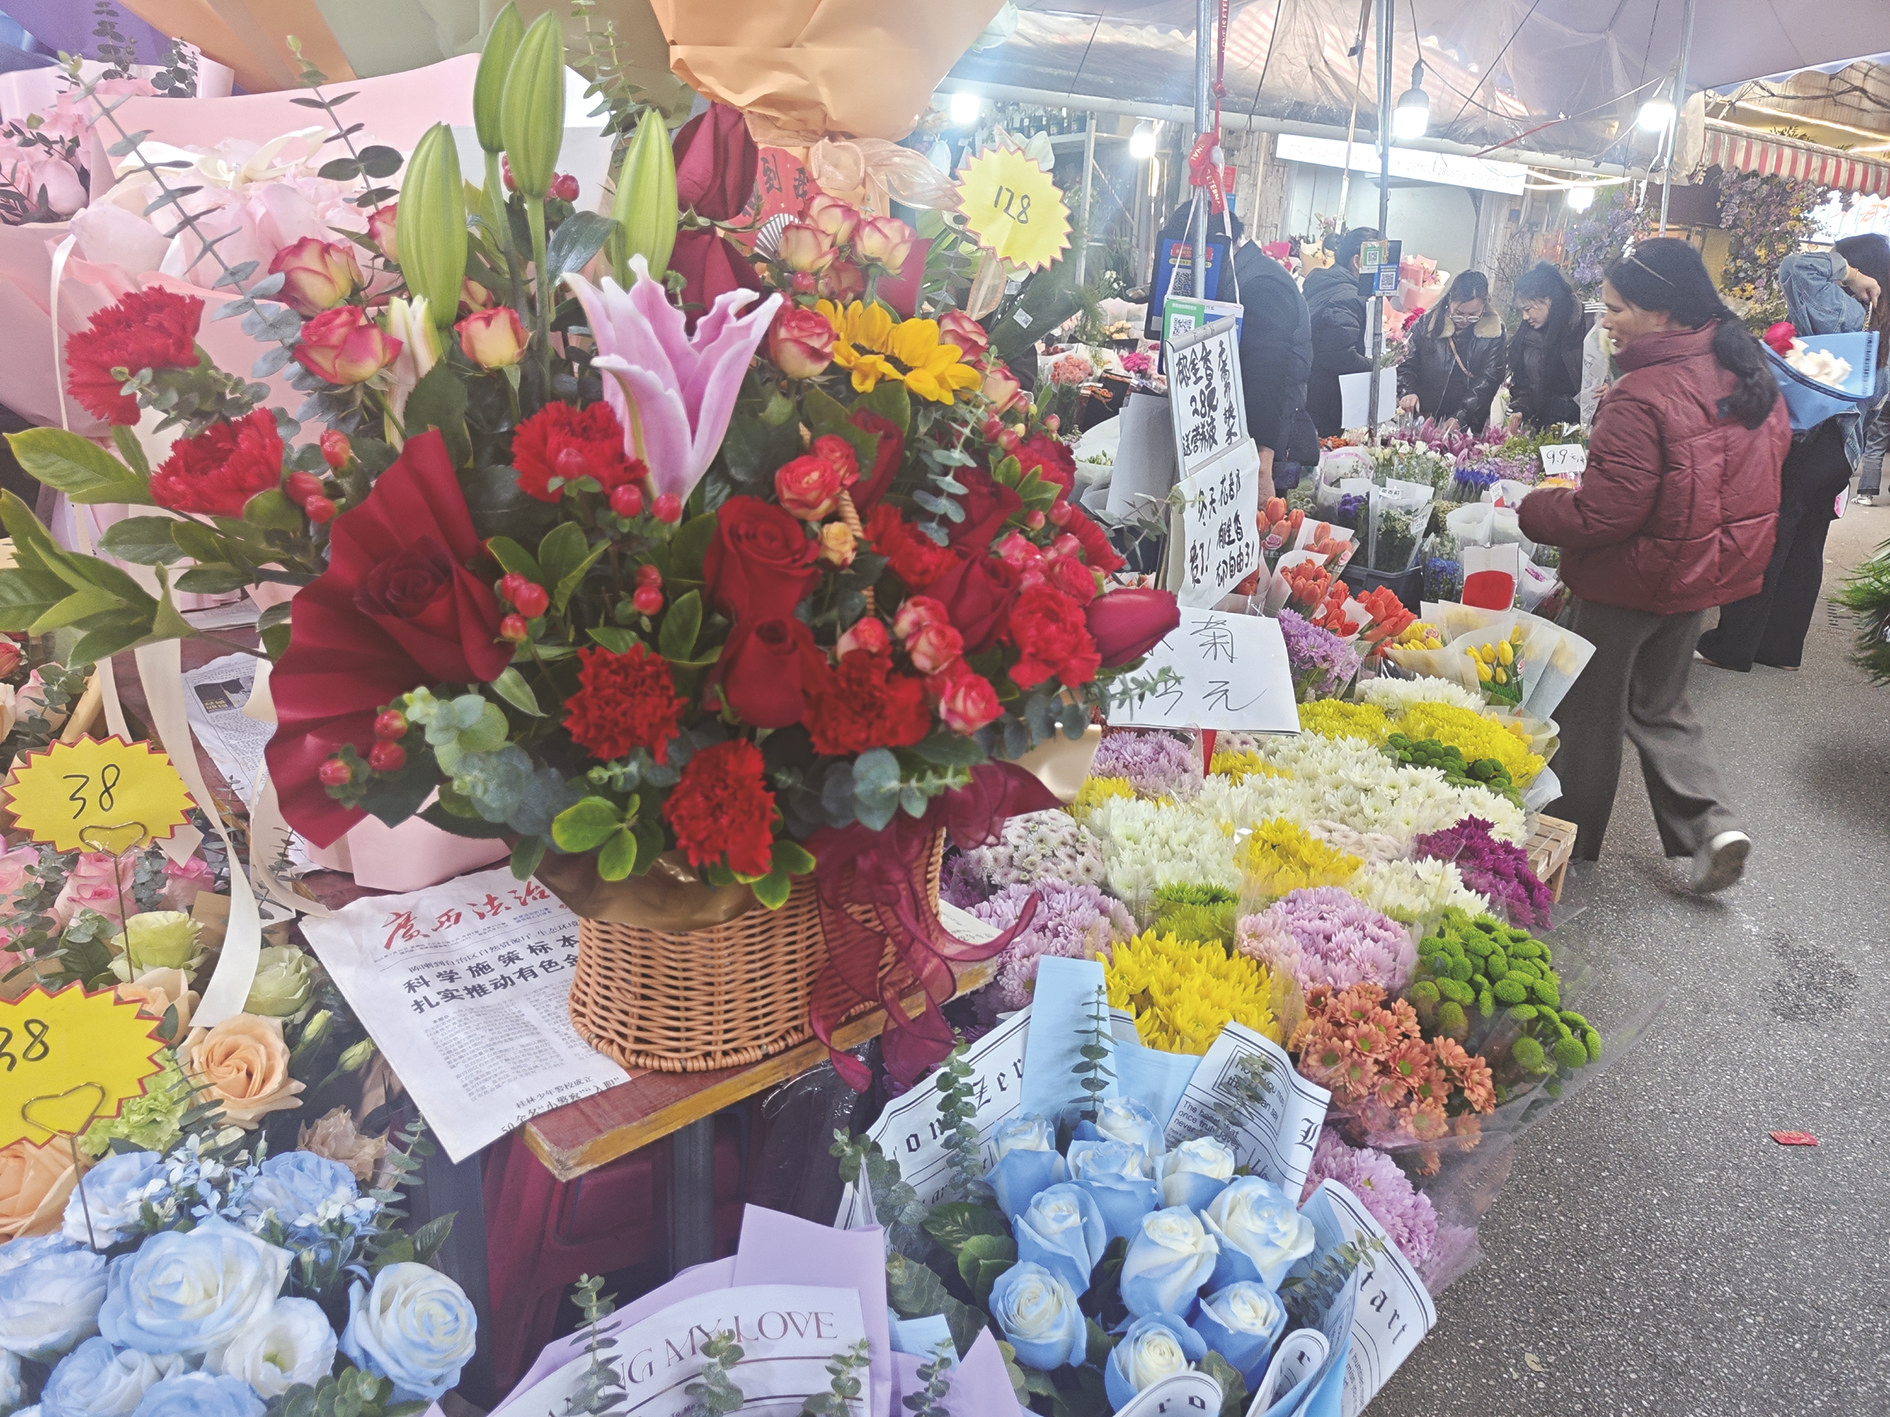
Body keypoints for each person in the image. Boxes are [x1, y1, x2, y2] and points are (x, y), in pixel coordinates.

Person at [1517, 238, 1789, 892]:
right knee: (1662, 706)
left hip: (1626, 581)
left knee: (1588, 713)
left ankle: (1565, 848)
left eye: (1616, 309)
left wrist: (1535, 507)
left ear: (1661, 310)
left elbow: (1604, 514)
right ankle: (1713, 826)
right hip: (1698, 576)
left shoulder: (1641, 394)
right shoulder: (1742, 369)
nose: (1605, 321)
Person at [1696, 233, 1889, 671]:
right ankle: (1781, 649)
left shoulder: (1842, 310)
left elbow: (1795, 267)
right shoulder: (1881, 328)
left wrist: (1850, 274)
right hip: (1843, 452)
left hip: (1806, 439)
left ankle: (1733, 646)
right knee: (1806, 543)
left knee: (1767, 537)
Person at [1232, 234, 1319, 491]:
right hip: (1256, 440)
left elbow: (1267, 373)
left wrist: (1262, 464)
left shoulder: (1263, 285)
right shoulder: (1246, 274)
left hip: (1268, 443)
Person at [1395, 270, 1505, 432]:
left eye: (1473, 315)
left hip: (1467, 422)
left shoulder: (1494, 332)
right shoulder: (1427, 323)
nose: (1465, 320)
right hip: (1422, 414)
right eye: (1459, 314)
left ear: (1484, 306)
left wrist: (1461, 416)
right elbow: (1406, 361)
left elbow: (1489, 380)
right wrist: (1407, 392)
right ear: (1450, 301)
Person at [1304, 226, 1380, 437]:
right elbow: (1339, 356)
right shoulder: (1348, 296)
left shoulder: (1327, 282)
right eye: (1379, 263)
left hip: (1310, 391)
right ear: (1358, 261)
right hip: (1323, 400)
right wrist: (1375, 367)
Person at [1506, 261, 1591, 429]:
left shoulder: (1586, 322)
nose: (1525, 317)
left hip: (1586, 423)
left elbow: (1611, 372)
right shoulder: (1527, 336)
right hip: (1545, 423)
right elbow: (1524, 386)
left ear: (1548, 300)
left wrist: (1607, 387)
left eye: (1528, 309)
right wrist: (1520, 410)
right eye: (1522, 311)